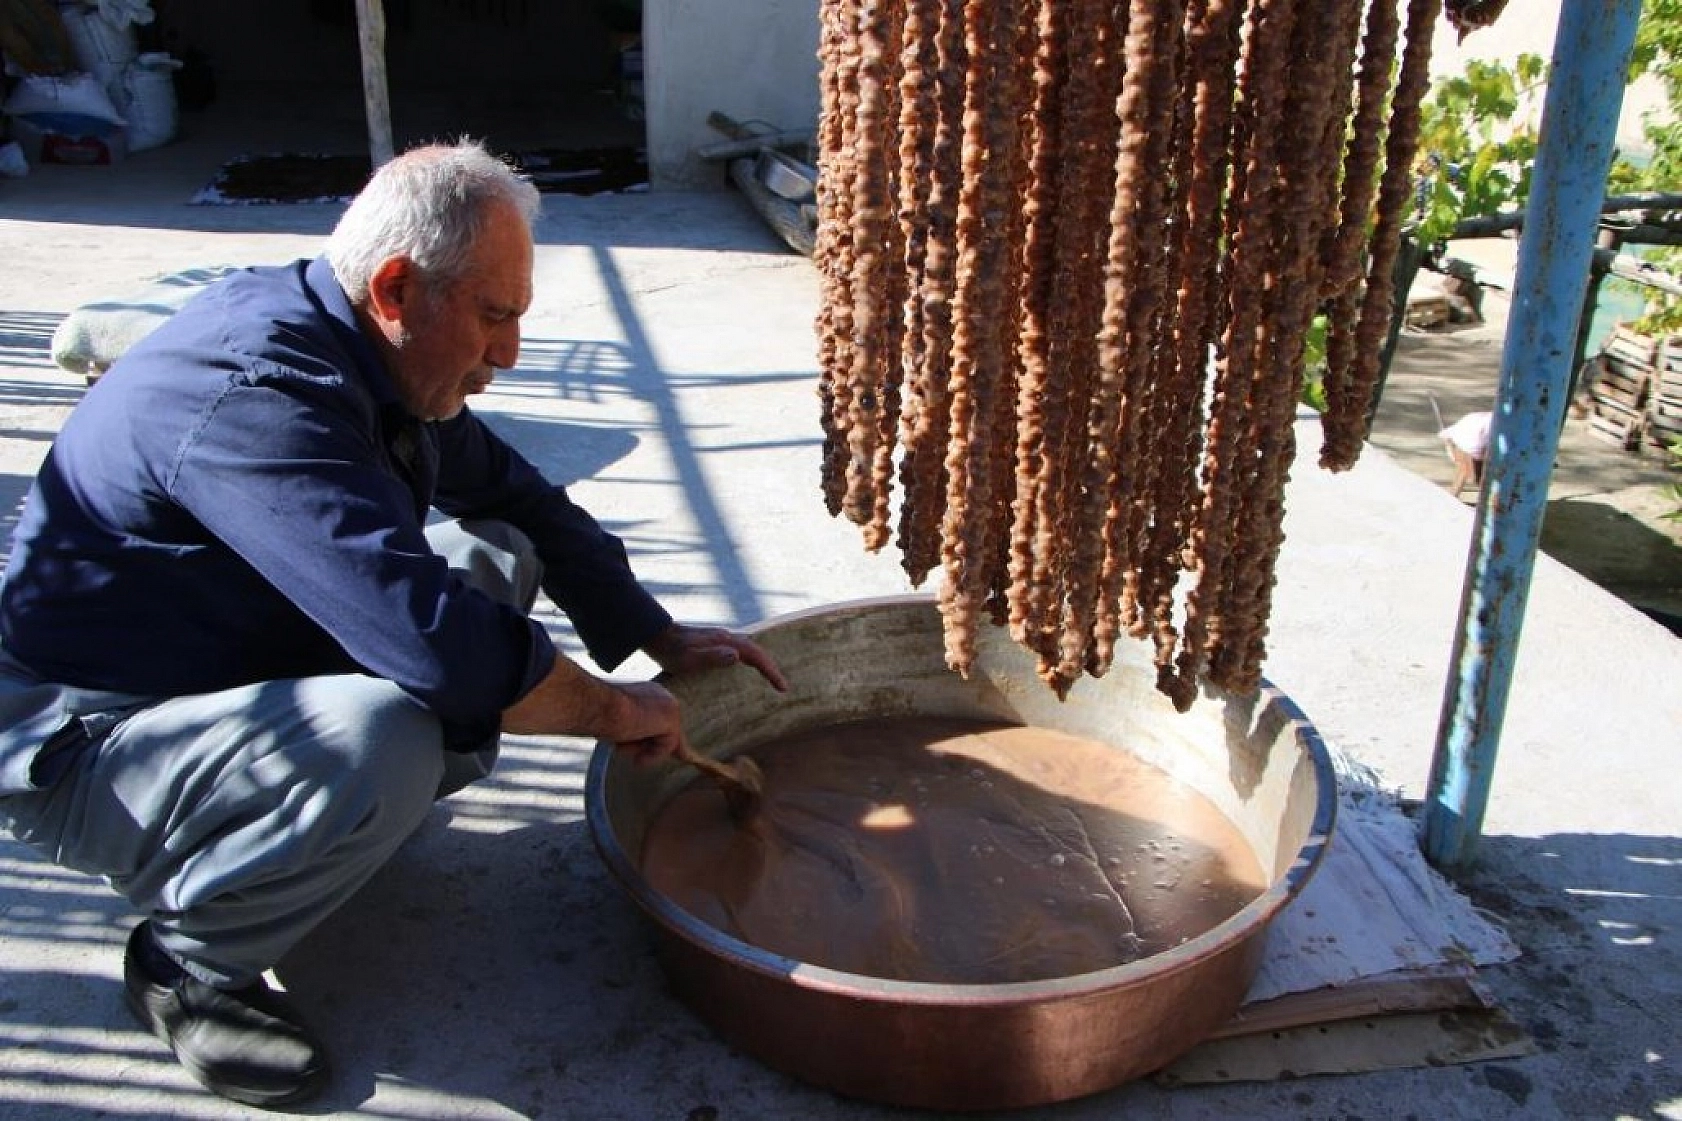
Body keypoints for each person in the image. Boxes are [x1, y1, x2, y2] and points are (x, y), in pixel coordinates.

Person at [0, 140, 786, 1108]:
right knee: (386, 735)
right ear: (396, 287)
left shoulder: (356, 343)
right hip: (95, 734)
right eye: (494, 317)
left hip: (223, 650)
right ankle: (187, 961)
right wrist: (612, 709)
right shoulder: (258, 401)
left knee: (493, 550)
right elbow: (427, 640)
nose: (510, 351)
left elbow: (516, 493)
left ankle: (321, 816)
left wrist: (654, 633)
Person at [1438, 409, 1493, 497]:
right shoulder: (1463, 430)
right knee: (1465, 471)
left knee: (1470, 473)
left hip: (1476, 438)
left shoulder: (1469, 438)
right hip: (1474, 434)